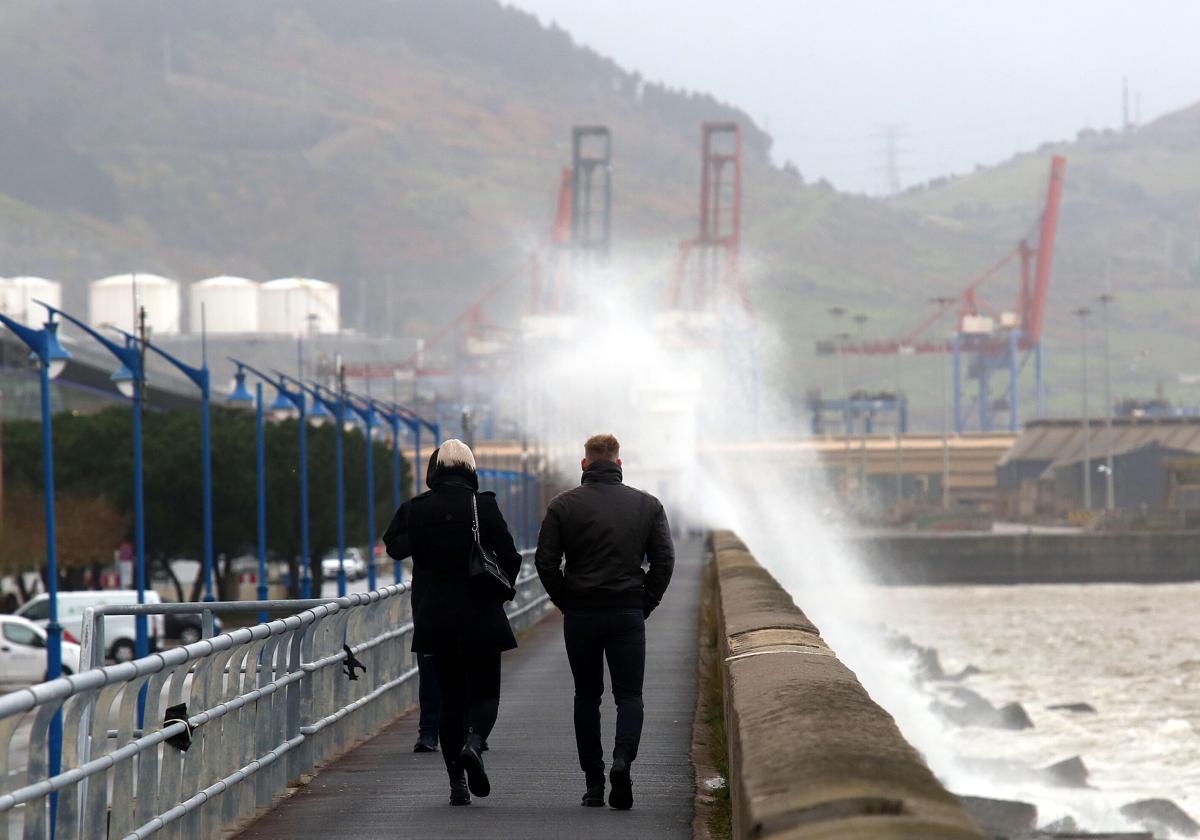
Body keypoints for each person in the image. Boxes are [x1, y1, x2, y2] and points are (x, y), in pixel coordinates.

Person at [535, 433, 675, 811]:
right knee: (629, 696)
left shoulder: (563, 506)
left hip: (581, 612)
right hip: (627, 611)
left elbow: (545, 562)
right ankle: (622, 762)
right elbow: (664, 561)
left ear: (584, 464)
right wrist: (645, 602)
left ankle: (594, 783)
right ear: (619, 462)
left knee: (587, 696)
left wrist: (565, 599)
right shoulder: (647, 505)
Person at [383, 439, 523, 806]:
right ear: (471, 470)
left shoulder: (417, 509)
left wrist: (426, 533)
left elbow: (394, 547)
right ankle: (474, 745)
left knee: (449, 701)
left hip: (436, 616)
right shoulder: (484, 505)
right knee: (485, 693)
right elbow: (510, 556)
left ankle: (456, 784)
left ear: (435, 469)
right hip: (481, 614)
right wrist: (502, 593)